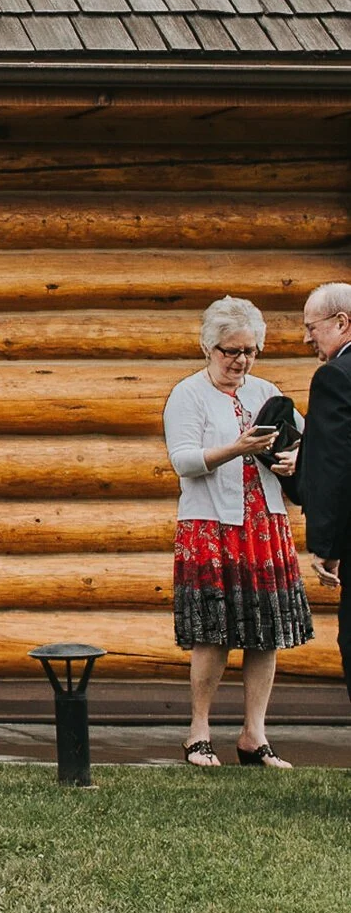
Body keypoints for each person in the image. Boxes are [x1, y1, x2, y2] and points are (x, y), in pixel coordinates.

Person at [164, 295, 311, 767]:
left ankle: (254, 735)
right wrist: (237, 447)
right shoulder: (188, 394)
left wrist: (294, 458)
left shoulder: (266, 391)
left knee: (265, 632)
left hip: (264, 524)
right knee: (212, 632)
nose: (241, 361)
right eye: (231, 351)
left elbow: (305, 441)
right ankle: (198, 733)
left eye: (249, 351)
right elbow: (184, 460)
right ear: (209, 347)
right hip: (211, 526)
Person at [298, 281, 351, 702]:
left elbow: (335, 464)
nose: (306, 338)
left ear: (341, 322)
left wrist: (325, 544)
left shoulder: (335, 377)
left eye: (311, 327)